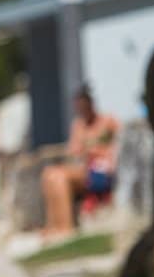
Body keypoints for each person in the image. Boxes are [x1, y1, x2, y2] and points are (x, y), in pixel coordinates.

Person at [39, 85, 119, 238]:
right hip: (85, 168)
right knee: (48, 174)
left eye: (84, 106)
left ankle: (66, 227)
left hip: (99, 172)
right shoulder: (78, 125)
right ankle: (52, 225)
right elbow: (74, 151)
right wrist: (85, 151)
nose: (81, 110)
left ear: (90, 104)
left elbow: (120, 144)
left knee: (59, 177)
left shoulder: (107, 121)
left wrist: (100, 152)